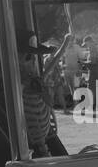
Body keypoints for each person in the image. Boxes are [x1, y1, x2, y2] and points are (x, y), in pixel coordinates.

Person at [18, 28, 68, 157]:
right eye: (28, 57)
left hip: (43, 136)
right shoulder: (16, 90)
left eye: (35, 57)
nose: (34, 62)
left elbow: (49, 104)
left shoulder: (37, 83)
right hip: (31, 142)